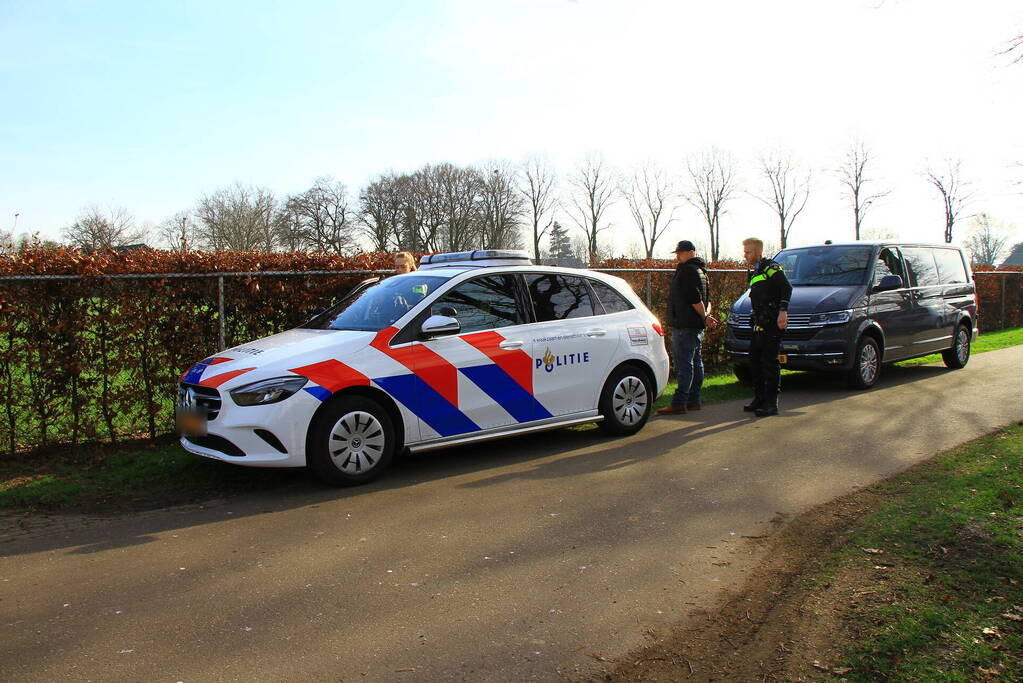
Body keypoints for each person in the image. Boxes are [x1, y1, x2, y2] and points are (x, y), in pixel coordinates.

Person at [656, 240, 718, 416]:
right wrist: (705, 316)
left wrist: (704, 316)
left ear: (691, 252)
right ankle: (693, 400)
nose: (678, 256)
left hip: (684, 325)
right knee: (696, 363)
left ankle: (679, 402)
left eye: (680, 252)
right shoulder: (702, 272)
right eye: (677, 253)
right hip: (696, 326)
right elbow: (708, 300)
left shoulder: (686, 271)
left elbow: (694, 298)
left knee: (684, 365)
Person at [742, 237, 792, 417]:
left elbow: (786, 288)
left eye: (748, 252)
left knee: (770, 364)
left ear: (757, 251)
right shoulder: (756, 272)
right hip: (759, 323)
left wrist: (783, 311)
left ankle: (771, 404)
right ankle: (760, 398)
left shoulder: (771, 268)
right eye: (745, 251)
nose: (745, 255)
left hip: (772, 323)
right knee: (754, 362)